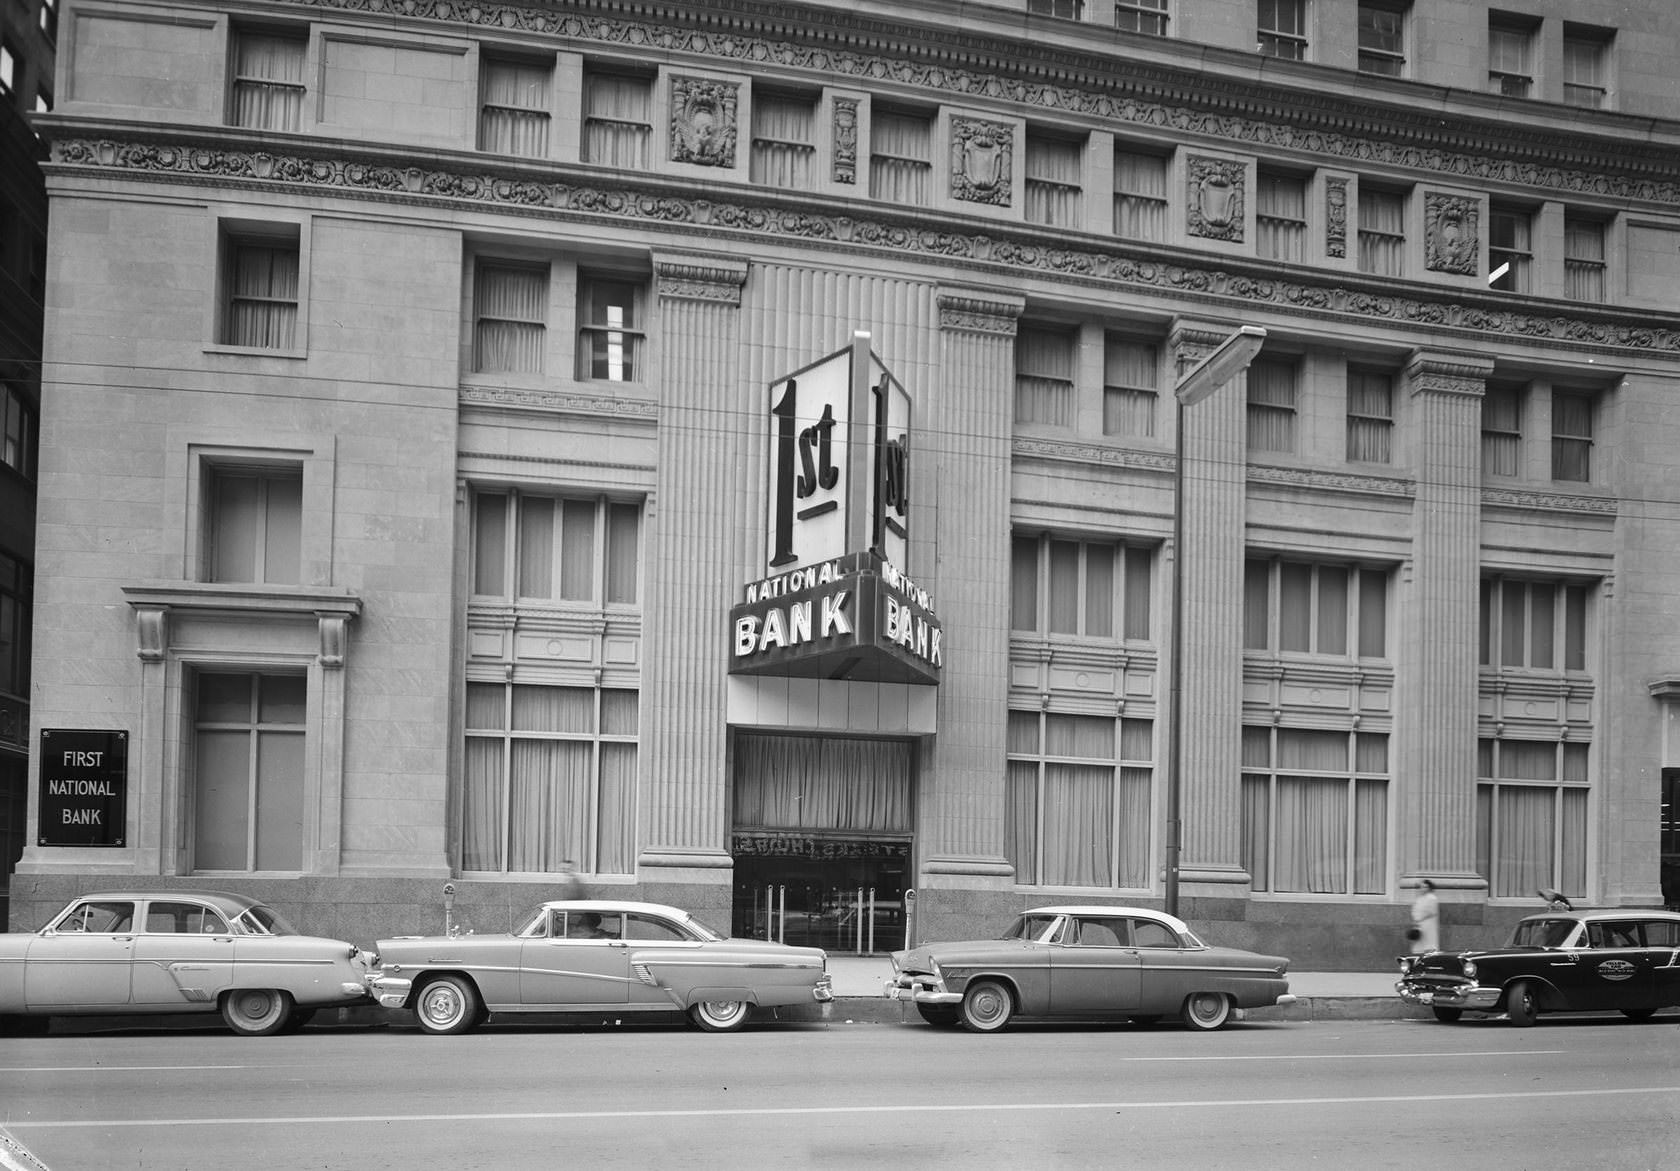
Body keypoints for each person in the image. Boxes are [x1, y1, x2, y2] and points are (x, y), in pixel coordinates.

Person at [1409, 878, 1440, 954]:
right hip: (1419, 924)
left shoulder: (1432, 898)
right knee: (1419, 943)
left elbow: (1432, 911)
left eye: (1425, 887)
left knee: (1428, 943)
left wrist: (1420, 918)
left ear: (1429, 888)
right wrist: (1415, 920)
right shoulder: (1419, 898)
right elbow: (1415, 909)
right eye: (1421, 887)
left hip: (1428, 924)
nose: (1423, 889)